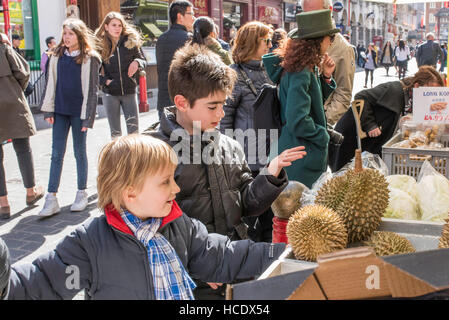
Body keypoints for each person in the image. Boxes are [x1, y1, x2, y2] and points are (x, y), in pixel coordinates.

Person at [0, 134, 287, 300]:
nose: (176, 188)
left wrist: (285, 254)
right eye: (165, 182)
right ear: (130, 193)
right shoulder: (89, 244)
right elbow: (35, 285)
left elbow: (226, 256)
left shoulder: (178, 226)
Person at [144, 44, 305, 299]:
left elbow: (245, 203)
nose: (221, 114)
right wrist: (200, 268)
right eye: (212, 106)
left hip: (233, 269)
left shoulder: (228, 145)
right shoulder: (152, 152)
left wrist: (269, 176)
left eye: (224, 104)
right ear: (181, 102)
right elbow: (149, 231)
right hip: (189, 281)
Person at [263, 9, 337, 189]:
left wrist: (326, 77)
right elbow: (298, 119)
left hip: (297, 151)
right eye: (330, 38)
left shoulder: (304, 67)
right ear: (318, 40)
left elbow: (313, 103)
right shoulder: (301, 71)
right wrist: (322, 136)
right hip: (300, 154)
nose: (331, 42)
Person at [37, 19, 101, 217]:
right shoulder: (56, 55)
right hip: (60, 111)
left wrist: (88, 118)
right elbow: (50, 84)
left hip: (79, 112)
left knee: (79, 152)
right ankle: (51, 197)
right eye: (64, 33)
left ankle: (81, 192)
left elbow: (92, 90)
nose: (66, 37)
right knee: (56, 153)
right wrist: (48, 110)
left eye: (71, 34)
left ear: (80, 36)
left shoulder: (91, 58)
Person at [220, 21, 274, 242]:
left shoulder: (269, 69)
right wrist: (229, 155)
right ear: (252, 42)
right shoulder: (234, 74)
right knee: (251, 217)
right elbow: (225, 119)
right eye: (266, 41)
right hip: (247, 156)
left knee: (272, 214)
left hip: (272, 151)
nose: (270, 45)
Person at [332, 66, 444, 171]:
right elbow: (361, 96)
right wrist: (370, 125)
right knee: (345, 178)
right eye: (430, 90)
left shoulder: (417, 99)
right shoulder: (394, 89)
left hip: (373, 146)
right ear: (417, 86)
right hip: (351, 137)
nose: (431, 95)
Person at [0, 34, 44, 219]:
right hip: (12, 102)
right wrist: (13, 89)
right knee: (23, 149)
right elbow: (23, 72)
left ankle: (3, 204)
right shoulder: (2, 45)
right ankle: (30, 192)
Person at [301, 0, 355, 126]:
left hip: (317, 125)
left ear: (329, 10)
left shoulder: (343, 48)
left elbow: (343, 94)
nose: (308, 19)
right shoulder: (298, 39)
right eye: (304, 14)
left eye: (314, 13)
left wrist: (322, 122)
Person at [95, 11, 147, 138]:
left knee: (134, 132)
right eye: (114, 25)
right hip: (110, 93)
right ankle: (117, 158)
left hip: (129, 91)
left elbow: (143, 59)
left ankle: (134, 158)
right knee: (115, 133)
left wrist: (137, 62)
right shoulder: (99, 45)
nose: (117, 28)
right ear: (106, 27)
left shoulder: (131, 41)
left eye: (120, 25)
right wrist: (105, 81)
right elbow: (93, 72)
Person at [156, 0, 195, 120]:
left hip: (163, 100)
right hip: (185, 101)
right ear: (180, 17)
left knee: (166, 137)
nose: (194, 18)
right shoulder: (189, 39)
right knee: (192, 138)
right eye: (191, 13)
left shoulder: (161, 39)